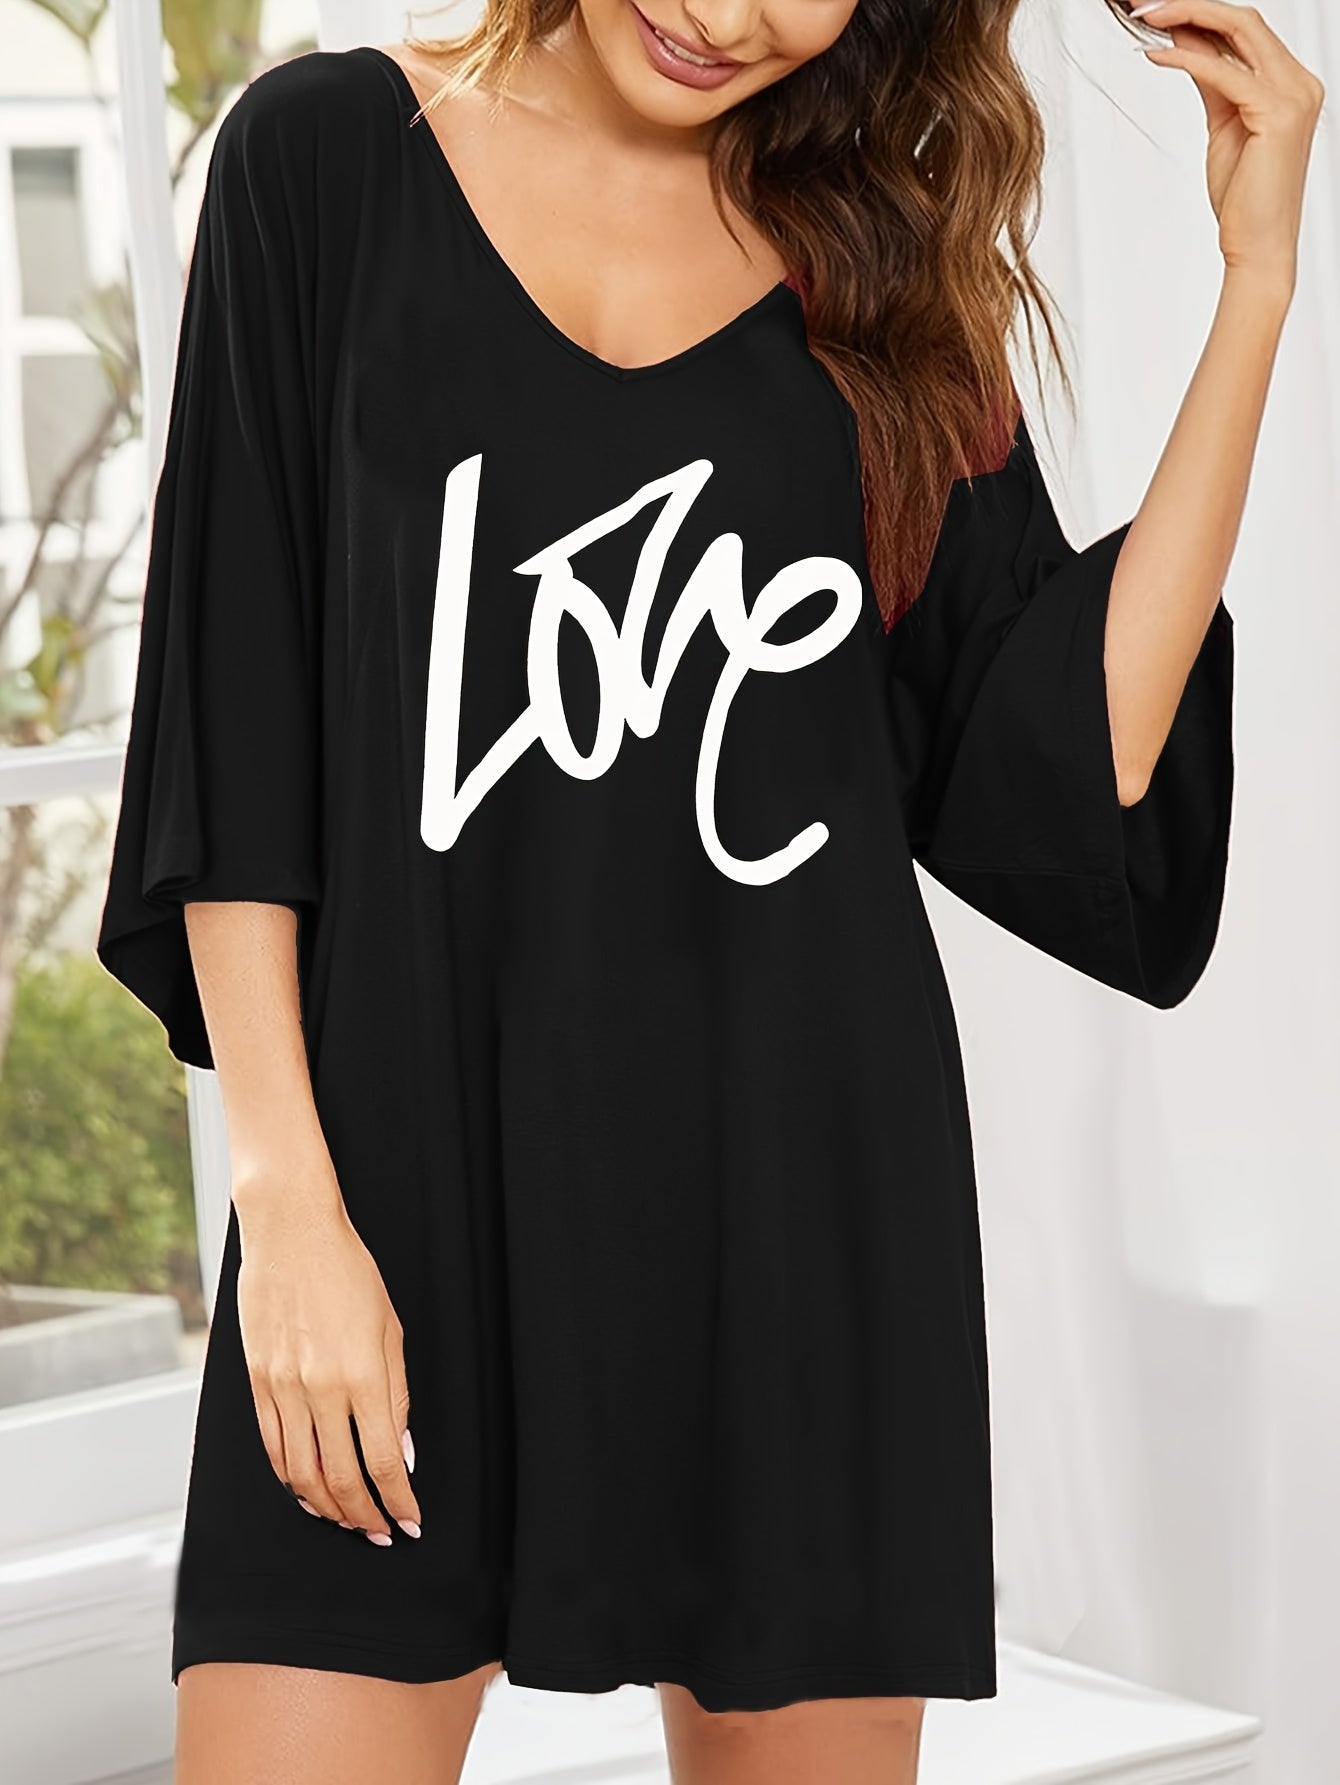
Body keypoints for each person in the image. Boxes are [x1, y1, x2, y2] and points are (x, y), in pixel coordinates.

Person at [96, 0, 1321, 1778]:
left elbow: (1067, 749)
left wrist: (1259, 279)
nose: (728, 14)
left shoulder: (877, 270)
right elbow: (243, 713)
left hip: (797, 1225)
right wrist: (286, 1203)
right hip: (398, 1195)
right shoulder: (326, 162)